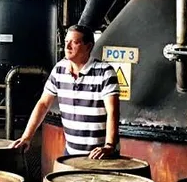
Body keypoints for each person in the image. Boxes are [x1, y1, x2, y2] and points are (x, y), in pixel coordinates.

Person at [11, 24, 120, 159]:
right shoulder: (59, 70)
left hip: (100, 155)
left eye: (74, 42)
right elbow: (43, 104)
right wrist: (27, 137)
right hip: (71, 154)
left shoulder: (105, 72)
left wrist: (109, 145)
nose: (67, 47)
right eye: (66, 42)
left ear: (89, 46)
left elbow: (113, 111)